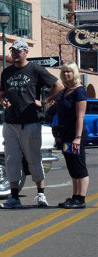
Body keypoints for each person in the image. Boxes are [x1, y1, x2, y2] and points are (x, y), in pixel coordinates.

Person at [0, 40, 64, 209]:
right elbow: (2, 93)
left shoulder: (35, 70)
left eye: (18, 51)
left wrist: (45, 101)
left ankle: (41, 194)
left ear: (26, 52)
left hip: (31, 122)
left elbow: (58, 85)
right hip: (11, 122)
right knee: (11, 159)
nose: (14, 54)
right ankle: (14, 197)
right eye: (13, 51)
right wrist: (2, 100)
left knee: (33, 158)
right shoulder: (7, 72)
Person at [55, 62, 89, 208]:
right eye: (64, 72)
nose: (66, 74)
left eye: (69, 71)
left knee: (79, 166)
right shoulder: (65, 91)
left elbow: (80, 117)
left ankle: (81, 199)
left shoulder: (79, 91)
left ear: (74, 73)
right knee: (72, 167)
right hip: (66, 134)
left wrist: (78, 137)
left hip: (76, 135)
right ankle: (74, 197)